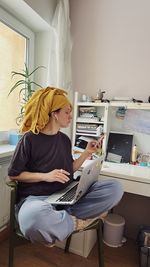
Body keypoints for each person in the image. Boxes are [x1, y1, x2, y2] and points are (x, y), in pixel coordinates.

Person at [8, 87, 123, 246]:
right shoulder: (29, 139)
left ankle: (60, 222)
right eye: (67, 112)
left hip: (65, 195)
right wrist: (45, 176)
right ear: (54, 114)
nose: (71, 116)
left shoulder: (64, 139)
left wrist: (86, 153)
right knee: (33, 218)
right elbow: (13, 174)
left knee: (115, 188)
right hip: (37, 200)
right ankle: (72, 222)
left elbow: (69, 170)